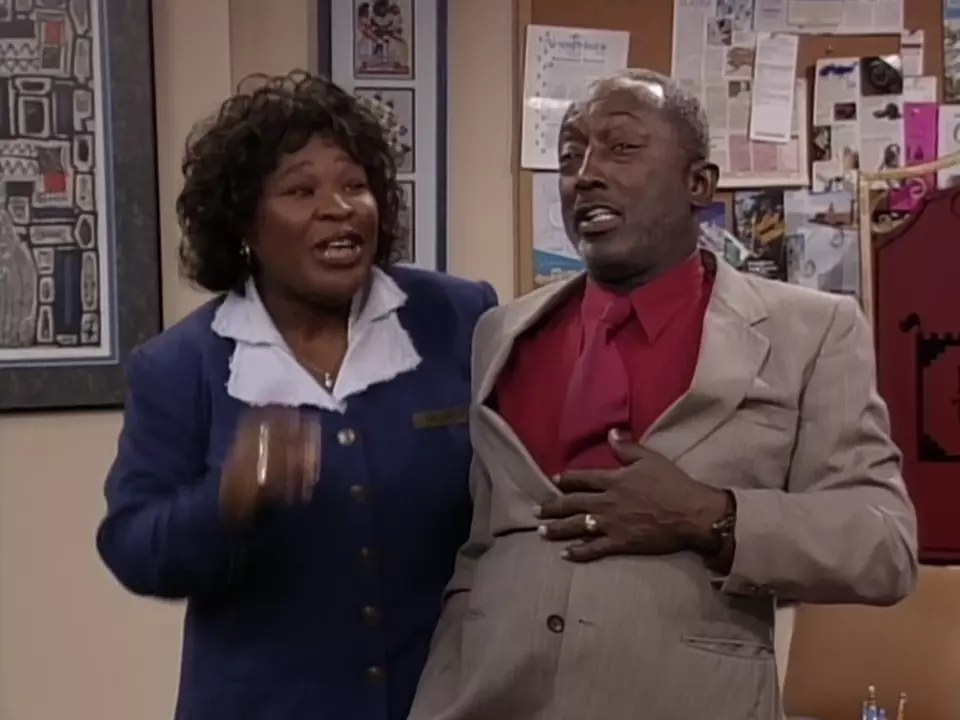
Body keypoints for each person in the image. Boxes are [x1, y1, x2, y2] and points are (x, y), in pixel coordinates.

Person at [409, 69, 918, 720]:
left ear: (698, 184)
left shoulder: (811, 331)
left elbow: (882, 545)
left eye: (621, 148)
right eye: (569, 156)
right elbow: (480, 552)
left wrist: (710, 516)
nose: (585, 175)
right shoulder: (501, 333)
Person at [95, 71, 497, 720]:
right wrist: (225, 501)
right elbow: (134, 550)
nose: (338, 208)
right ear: (245, 226)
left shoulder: (457, 317)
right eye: (301, 190)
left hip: (442, 702)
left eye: (355, 185)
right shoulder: (180, 367)